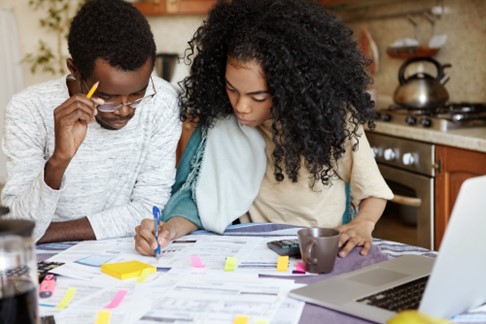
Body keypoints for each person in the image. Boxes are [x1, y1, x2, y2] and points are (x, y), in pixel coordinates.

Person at [134, 0, 393, 258]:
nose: (241, 106)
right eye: (231, 89)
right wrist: (168, 231)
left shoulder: (330, 122)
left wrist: (364, 223)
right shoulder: (221, 122)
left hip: (319, 254)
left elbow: (372, 192)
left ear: (290, 88)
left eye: (258, 97)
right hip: (252, 255)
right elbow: (200, 202)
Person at [1, 0, 183, 243]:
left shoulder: (162, 100)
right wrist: (58, 161)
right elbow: (19, 223)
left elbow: (149, 207)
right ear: (75, 70)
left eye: (138, 95)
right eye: (108, 98)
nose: (125, 111)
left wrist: (47, 233)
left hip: (125, 254)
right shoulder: (29, 109)